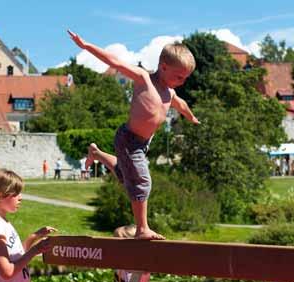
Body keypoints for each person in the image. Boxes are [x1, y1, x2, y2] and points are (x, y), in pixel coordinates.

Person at [68, 30, 199, 240]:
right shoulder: (144, 79)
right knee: (142, 181)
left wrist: (191, 117)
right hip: (129, 139)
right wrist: (86, 46)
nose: (182, 81)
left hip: (142, 143)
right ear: (163, 67)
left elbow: (181, 104)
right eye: (179, 76)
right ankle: (142, 228)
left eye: (185, 78)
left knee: (125, 175)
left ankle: (97, 153)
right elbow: (116, 62)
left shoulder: (170, 92)